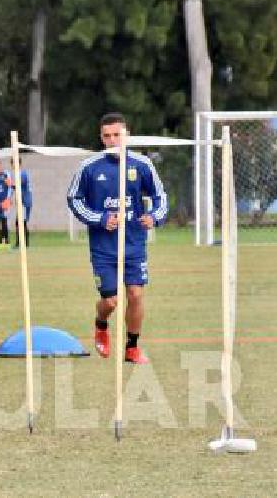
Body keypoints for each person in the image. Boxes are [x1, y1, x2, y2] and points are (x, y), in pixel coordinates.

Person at [66, 112, 168, 364]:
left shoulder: (142, 164)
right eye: (107, 136)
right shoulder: (89, 167)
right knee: (110, 302)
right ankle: (101, 323)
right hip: (103, 248)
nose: (112, 140)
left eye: (117, 135)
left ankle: (132, 347)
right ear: (101, 138)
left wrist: (154, 216)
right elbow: (74, 199)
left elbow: (160, 198)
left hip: (134, 244)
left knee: (135, 294)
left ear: (127, 135)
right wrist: (100, 219)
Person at [10, 156, 32, 248]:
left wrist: (10, 184)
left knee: (21, 222)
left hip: (25, 202)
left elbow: (18, 185)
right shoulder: (18, 174)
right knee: (20, 222)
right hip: (22, 202)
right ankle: (24, 243)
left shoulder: (22, 174)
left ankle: (21, 244)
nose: (13, 166)